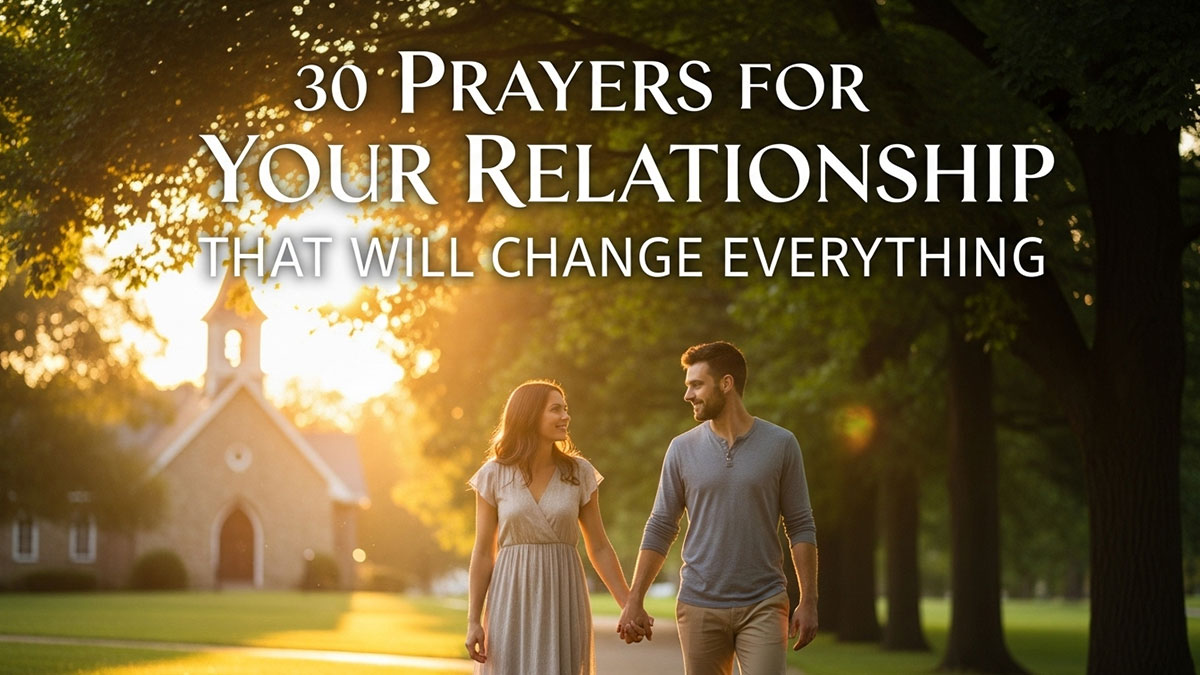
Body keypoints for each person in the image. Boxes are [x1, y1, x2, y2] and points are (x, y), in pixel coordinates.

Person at [617, 341, 819, 675]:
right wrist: (634, 599)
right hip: (699, 603)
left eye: (696, 385)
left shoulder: (781, 444)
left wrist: (809, 600)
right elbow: (661, 526)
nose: (688, 395)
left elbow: (800, 525)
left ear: (726, 383)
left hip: (764, 602)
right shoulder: (681, 449)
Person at [466, 380, 631, 674]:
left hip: (563, 596)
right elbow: (482, 552)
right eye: (556, 409)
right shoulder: (493, 474)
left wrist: (629, 605)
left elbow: (599, 546)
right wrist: (473, 620)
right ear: (529, 415)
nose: (566, 416)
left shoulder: (579, 472)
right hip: (511, 596)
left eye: (565, 409)